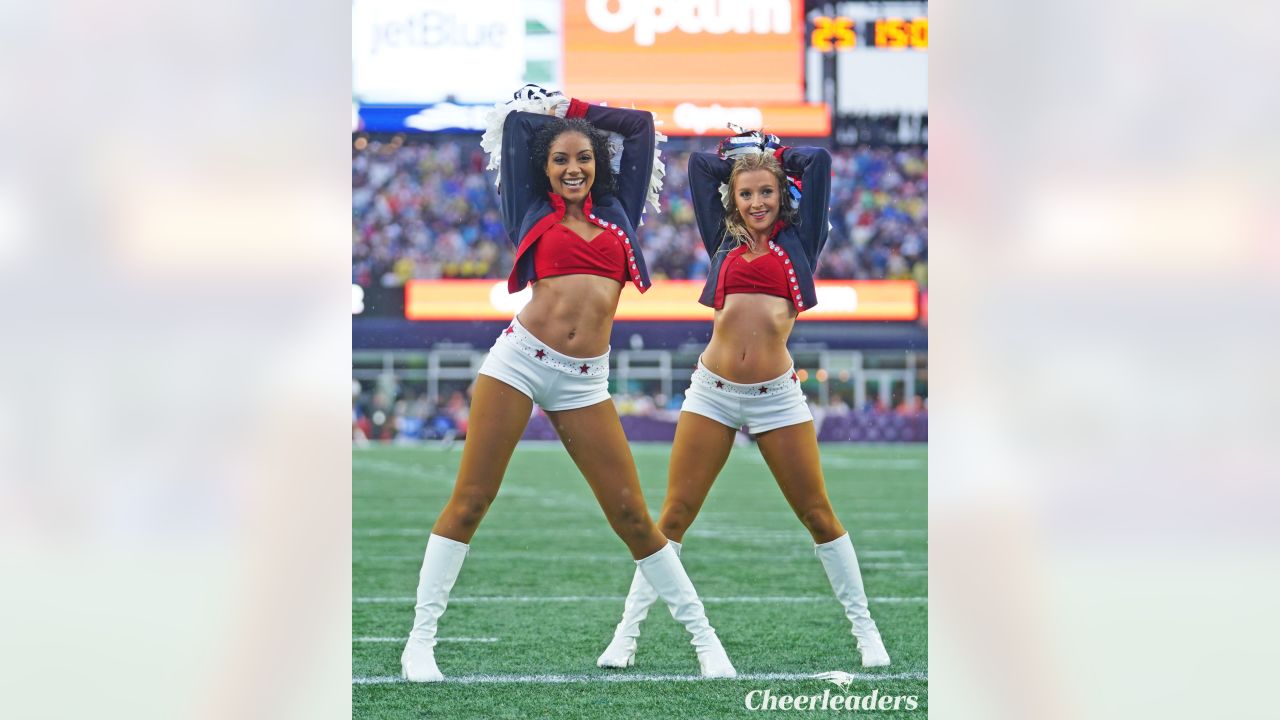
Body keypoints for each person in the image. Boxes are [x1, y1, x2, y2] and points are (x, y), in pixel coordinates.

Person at [400, 87, 735, 682]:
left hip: (585, 381)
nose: (573, 168)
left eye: (583, 158)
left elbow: (638, 126)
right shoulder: (529, 207)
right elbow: (519, 128)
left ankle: (704, 639)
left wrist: (575, 109)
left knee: (633, 515)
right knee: (472, 501)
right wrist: (552, 117)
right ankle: (419, 643)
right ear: (544, 169)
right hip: (519, 363)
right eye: (560, 160)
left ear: (598, 163)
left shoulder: (619, 211)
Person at [596, 131, 891, 670]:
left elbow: (819, 161)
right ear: (733, 199)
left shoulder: (802, 239)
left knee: (818, 514)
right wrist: (741, 153)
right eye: (747, 193)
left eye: (767, 193)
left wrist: (772, 152)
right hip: (711, 393)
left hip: (777, 398)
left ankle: (865, 632)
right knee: (674, 514)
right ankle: (626, 634)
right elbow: (701, 168)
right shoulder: (723, 241)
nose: (757, 203)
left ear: (784, 195)